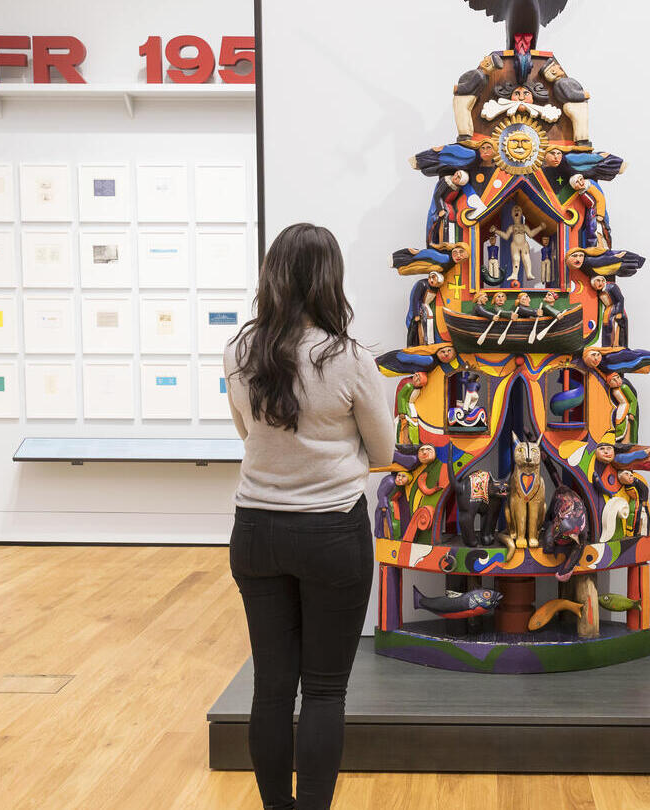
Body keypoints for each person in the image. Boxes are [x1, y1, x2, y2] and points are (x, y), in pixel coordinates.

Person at [224, 223, 395, 810]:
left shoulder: (239, 350)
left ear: (272, 276)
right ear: (330, 281)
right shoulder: (348, 359)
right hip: (331, 533)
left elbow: (247, 434)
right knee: (324, 691)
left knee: (271, 688)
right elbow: (386, 454)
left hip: (255, 531)